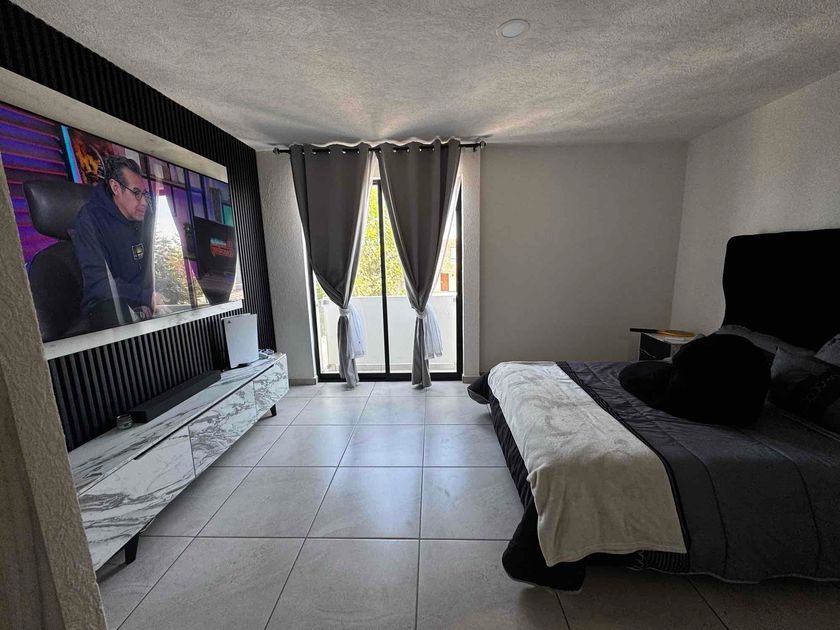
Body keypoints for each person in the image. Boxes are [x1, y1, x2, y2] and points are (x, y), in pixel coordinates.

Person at [72, 155, 159, 329]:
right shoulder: (89, 219)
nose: (143, 201)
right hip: (108, 303)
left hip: (144, 297)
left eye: (144, 194)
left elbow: (155, 262)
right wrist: (145, 297)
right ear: (115, 187)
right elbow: (100, 284)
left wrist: (154, 296)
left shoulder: (143, 213)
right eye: (136, 193)